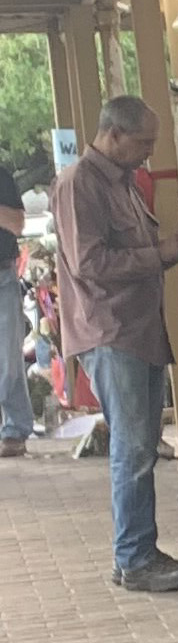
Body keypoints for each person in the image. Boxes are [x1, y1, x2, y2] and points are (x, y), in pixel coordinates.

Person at [53, 96, 178, 593]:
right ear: (113, 134)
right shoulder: (80, 184)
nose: (148, 153)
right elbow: (89, 264)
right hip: (112, 330)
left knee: (138, 445)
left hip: (137, 328)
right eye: (143, 142)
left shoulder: (121, 183)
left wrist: (171, 250)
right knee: (134, 448)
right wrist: (163, 252)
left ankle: (138, 550)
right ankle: (135, 556)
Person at [0, 158, 29, 460]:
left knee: (7, 359)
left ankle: (15, 429)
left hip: (2, 277)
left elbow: (18, 224)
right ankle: (15, 427)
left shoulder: (2, 177)